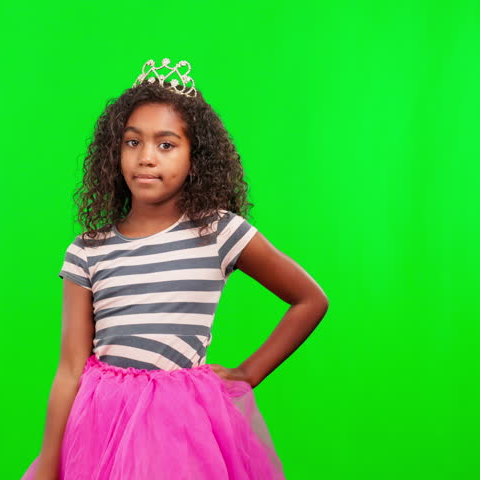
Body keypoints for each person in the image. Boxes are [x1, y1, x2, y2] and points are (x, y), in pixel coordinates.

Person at [21, 58, 329, 480]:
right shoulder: (87, 251)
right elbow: (70, 369)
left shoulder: (219, 231)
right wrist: (49, 464)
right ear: (115, 151)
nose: (147, 157)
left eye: (166, 144)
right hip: (100, 429)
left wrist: (248, 373)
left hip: (179, 429)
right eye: (133, 142)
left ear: (195, 157)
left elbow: (310, 300)